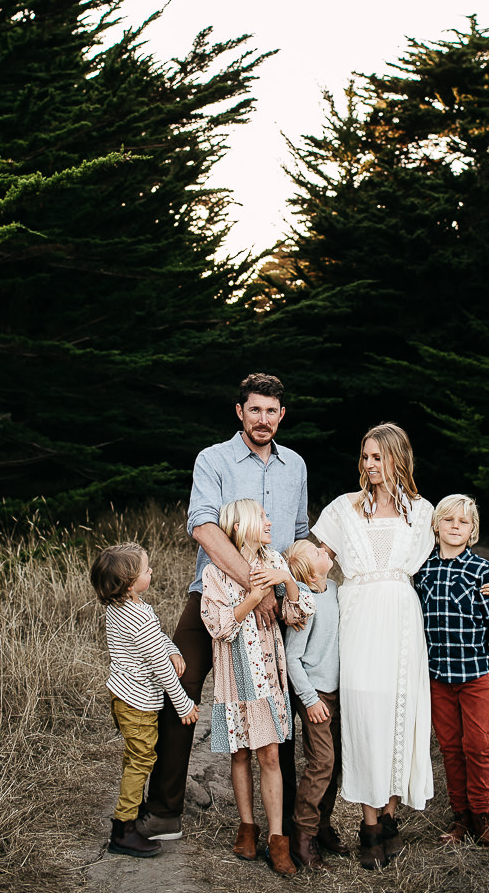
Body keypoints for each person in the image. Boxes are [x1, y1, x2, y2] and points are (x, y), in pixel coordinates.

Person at [312, 423, 489, 869]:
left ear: (399, 458)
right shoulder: (344, 508)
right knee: (364, 717)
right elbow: (316, 558)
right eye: (365, 457)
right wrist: (286, 578)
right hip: (359, 620)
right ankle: (367, 824)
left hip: (402, 623)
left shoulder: (421, 511)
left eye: (378, 456)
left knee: (401, 715)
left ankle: (389, 823)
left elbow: (452, 555)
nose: (369, 465)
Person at [139, 373, 309, 842]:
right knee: (178, 686)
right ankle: (165, 810)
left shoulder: (295, 465)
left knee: (290, 699)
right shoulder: (213, 460)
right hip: (213, 594)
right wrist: (256, 589)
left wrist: (288, 587)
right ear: (240, 412)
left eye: (272, 410)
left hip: (276, 597)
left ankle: (294, 824)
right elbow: (203, 528)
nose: (263, 419)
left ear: (282, 415)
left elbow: (297, 535)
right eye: (254, 409)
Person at [201, 498, 315, 876]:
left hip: (267, 677)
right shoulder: (214, 574)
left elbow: (295, 617)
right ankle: (247, 828)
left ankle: (277, 839)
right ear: (242, 524)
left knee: (269, 756)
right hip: (234, 678)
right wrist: (253, 596)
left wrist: (287, 582)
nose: (269, 521)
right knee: (240, 756)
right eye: (263, 517)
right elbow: (218, 627)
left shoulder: (275, 562)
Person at [89, 543, 199, 858]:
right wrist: (184, 705)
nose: (151, 571)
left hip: (123, 695)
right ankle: (123, 830)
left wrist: (173, 648)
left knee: (135, 758)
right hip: (138, 703)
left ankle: (131, 814)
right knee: (141, 760)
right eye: (145, 569)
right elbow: (162, 670)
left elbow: (156, 640)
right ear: (128, 582)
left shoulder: (125, 606)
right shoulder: (137, 616)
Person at [414, 494, 489, 848]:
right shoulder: (422, 569)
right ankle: (460, 818)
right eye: (449, 521)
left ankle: (482, 817)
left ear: (473, 531)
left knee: (477, 746)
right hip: (438, 676)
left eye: (463, 522)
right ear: (436, 526)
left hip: (475, 676)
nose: (456, 527)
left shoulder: (482, 571)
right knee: (450, 747)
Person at [283, 538, 347, 872]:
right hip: (316, 696)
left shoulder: (335, 588)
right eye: (317, 552)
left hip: (340, 692)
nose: (325, 550)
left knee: (336, 764)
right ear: (308, 572)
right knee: (321, 762)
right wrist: (308, 700)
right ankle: (302, 836)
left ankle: (322, 826)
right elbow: (292, 658)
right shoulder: (304, 603)